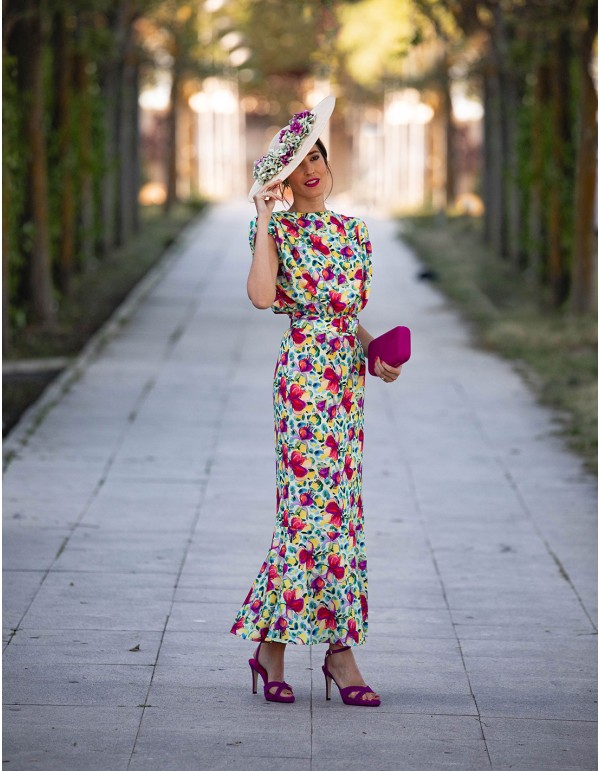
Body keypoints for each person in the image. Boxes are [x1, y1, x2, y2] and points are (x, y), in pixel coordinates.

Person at [229, 96, 402, 706]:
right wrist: (263, 217)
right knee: (306, 514)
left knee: (342, 516)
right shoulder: (274, 228)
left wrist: (375, 354)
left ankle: (298, 651)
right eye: (299, 162)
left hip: (345, 383)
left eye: (318, 158)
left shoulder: (354, 233)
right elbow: (258, 298)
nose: (311, 170)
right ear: (283, 177)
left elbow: (348, 315)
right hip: (303, 379)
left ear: (331, 167)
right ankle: (332, 656)